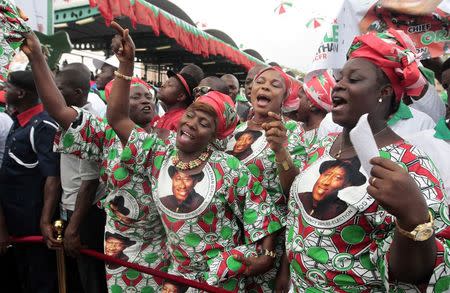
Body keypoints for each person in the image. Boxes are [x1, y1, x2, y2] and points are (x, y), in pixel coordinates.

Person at [101, 22, 283, 292]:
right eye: (192, 115)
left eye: (205, 122)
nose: (191, 124)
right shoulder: (159, 156)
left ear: (214, 135)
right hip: (176, 279)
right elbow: (117, 117)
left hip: (220, 282)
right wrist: (127, 65)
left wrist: (263, 261)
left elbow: (264, 220)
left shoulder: (230, 168)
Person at [281, 29, 450, 292]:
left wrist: (413, 218)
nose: (338, 85)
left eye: (354, 79)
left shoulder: (411, 162)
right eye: (340, 78)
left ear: (383, 92)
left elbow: (416, 274)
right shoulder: (322, 147)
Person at [22, 32, 169, 292]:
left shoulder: (169, 144)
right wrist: (35, 57)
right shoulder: (105, 136)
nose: (145, 99)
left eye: (148, 96)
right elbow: (59, 110)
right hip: (114, 249)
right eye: (134, 96)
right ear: (115, 102)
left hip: (157, 255)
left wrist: (126, 64)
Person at [226, 66, 306, 292]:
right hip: (229, 236)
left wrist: (281, 150)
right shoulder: (232, 132)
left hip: (269, 245)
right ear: (250, 91)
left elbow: (294, 192)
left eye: (274, 84)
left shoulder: (292, 131)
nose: (265, 87)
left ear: (284, 98)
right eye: (260, 82)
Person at [40, 68, 107, 293]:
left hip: (85, 215)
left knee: (91, 280)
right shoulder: (70, 121)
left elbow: (90, 181)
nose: (53, 93)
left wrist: (74, 227)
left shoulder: (85, 124)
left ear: (77, 93)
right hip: (71, 210)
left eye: (59, 88)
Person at [0, 70, 59, 293]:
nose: (5, 90)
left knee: (40, 279)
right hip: (17, 223)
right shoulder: (19, 122)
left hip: (33, 224)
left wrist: (44, 221)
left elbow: (52, 177)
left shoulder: (42, 126)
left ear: (21, 93)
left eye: (8, 87)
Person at [298, 158, 366, 220]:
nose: (326, 182)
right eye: (327, 174)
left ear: (347, 184)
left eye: (337, 178)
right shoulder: (301, 197)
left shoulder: (339, 211)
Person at [287, 71, 334, 148]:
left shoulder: (325, 138)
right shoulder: (292, 127)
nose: (294, 102)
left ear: (312, 104)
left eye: (300, 98)